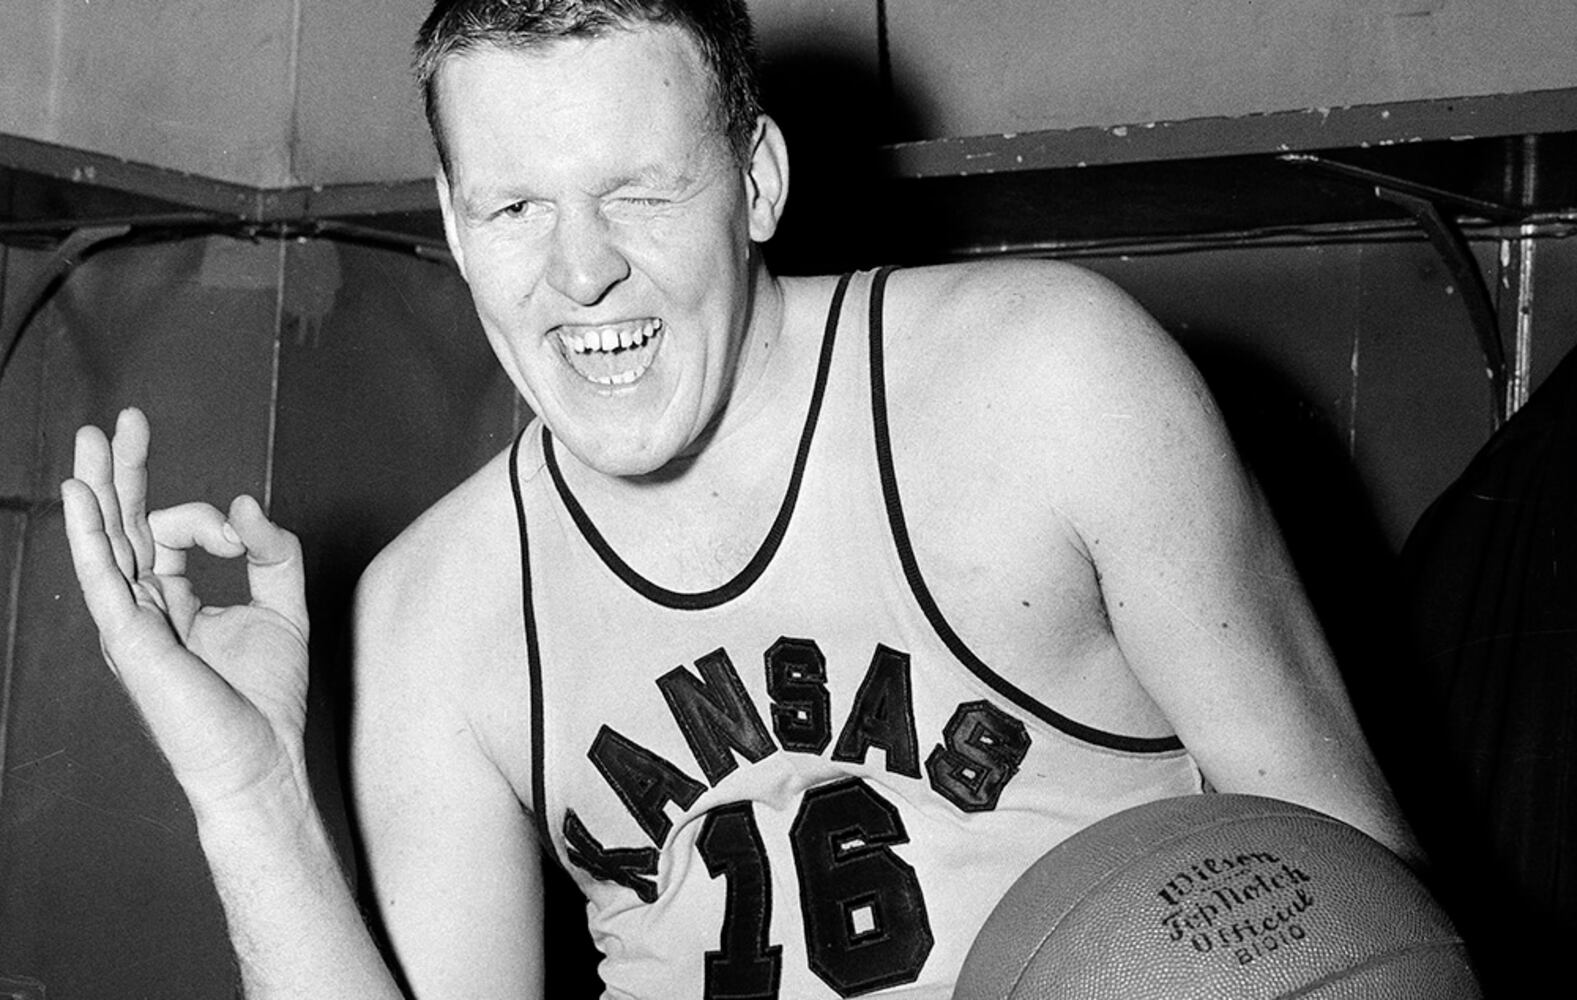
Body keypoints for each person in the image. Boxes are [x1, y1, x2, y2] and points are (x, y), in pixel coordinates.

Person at [61, 1, 1420, 997]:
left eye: (639, 194)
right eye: (516, 209)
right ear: (456, 220)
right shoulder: (434, 605)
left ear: (757, 180)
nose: (580, 273)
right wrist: (248, 792)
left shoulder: (1050, 381)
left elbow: (1367, 907)